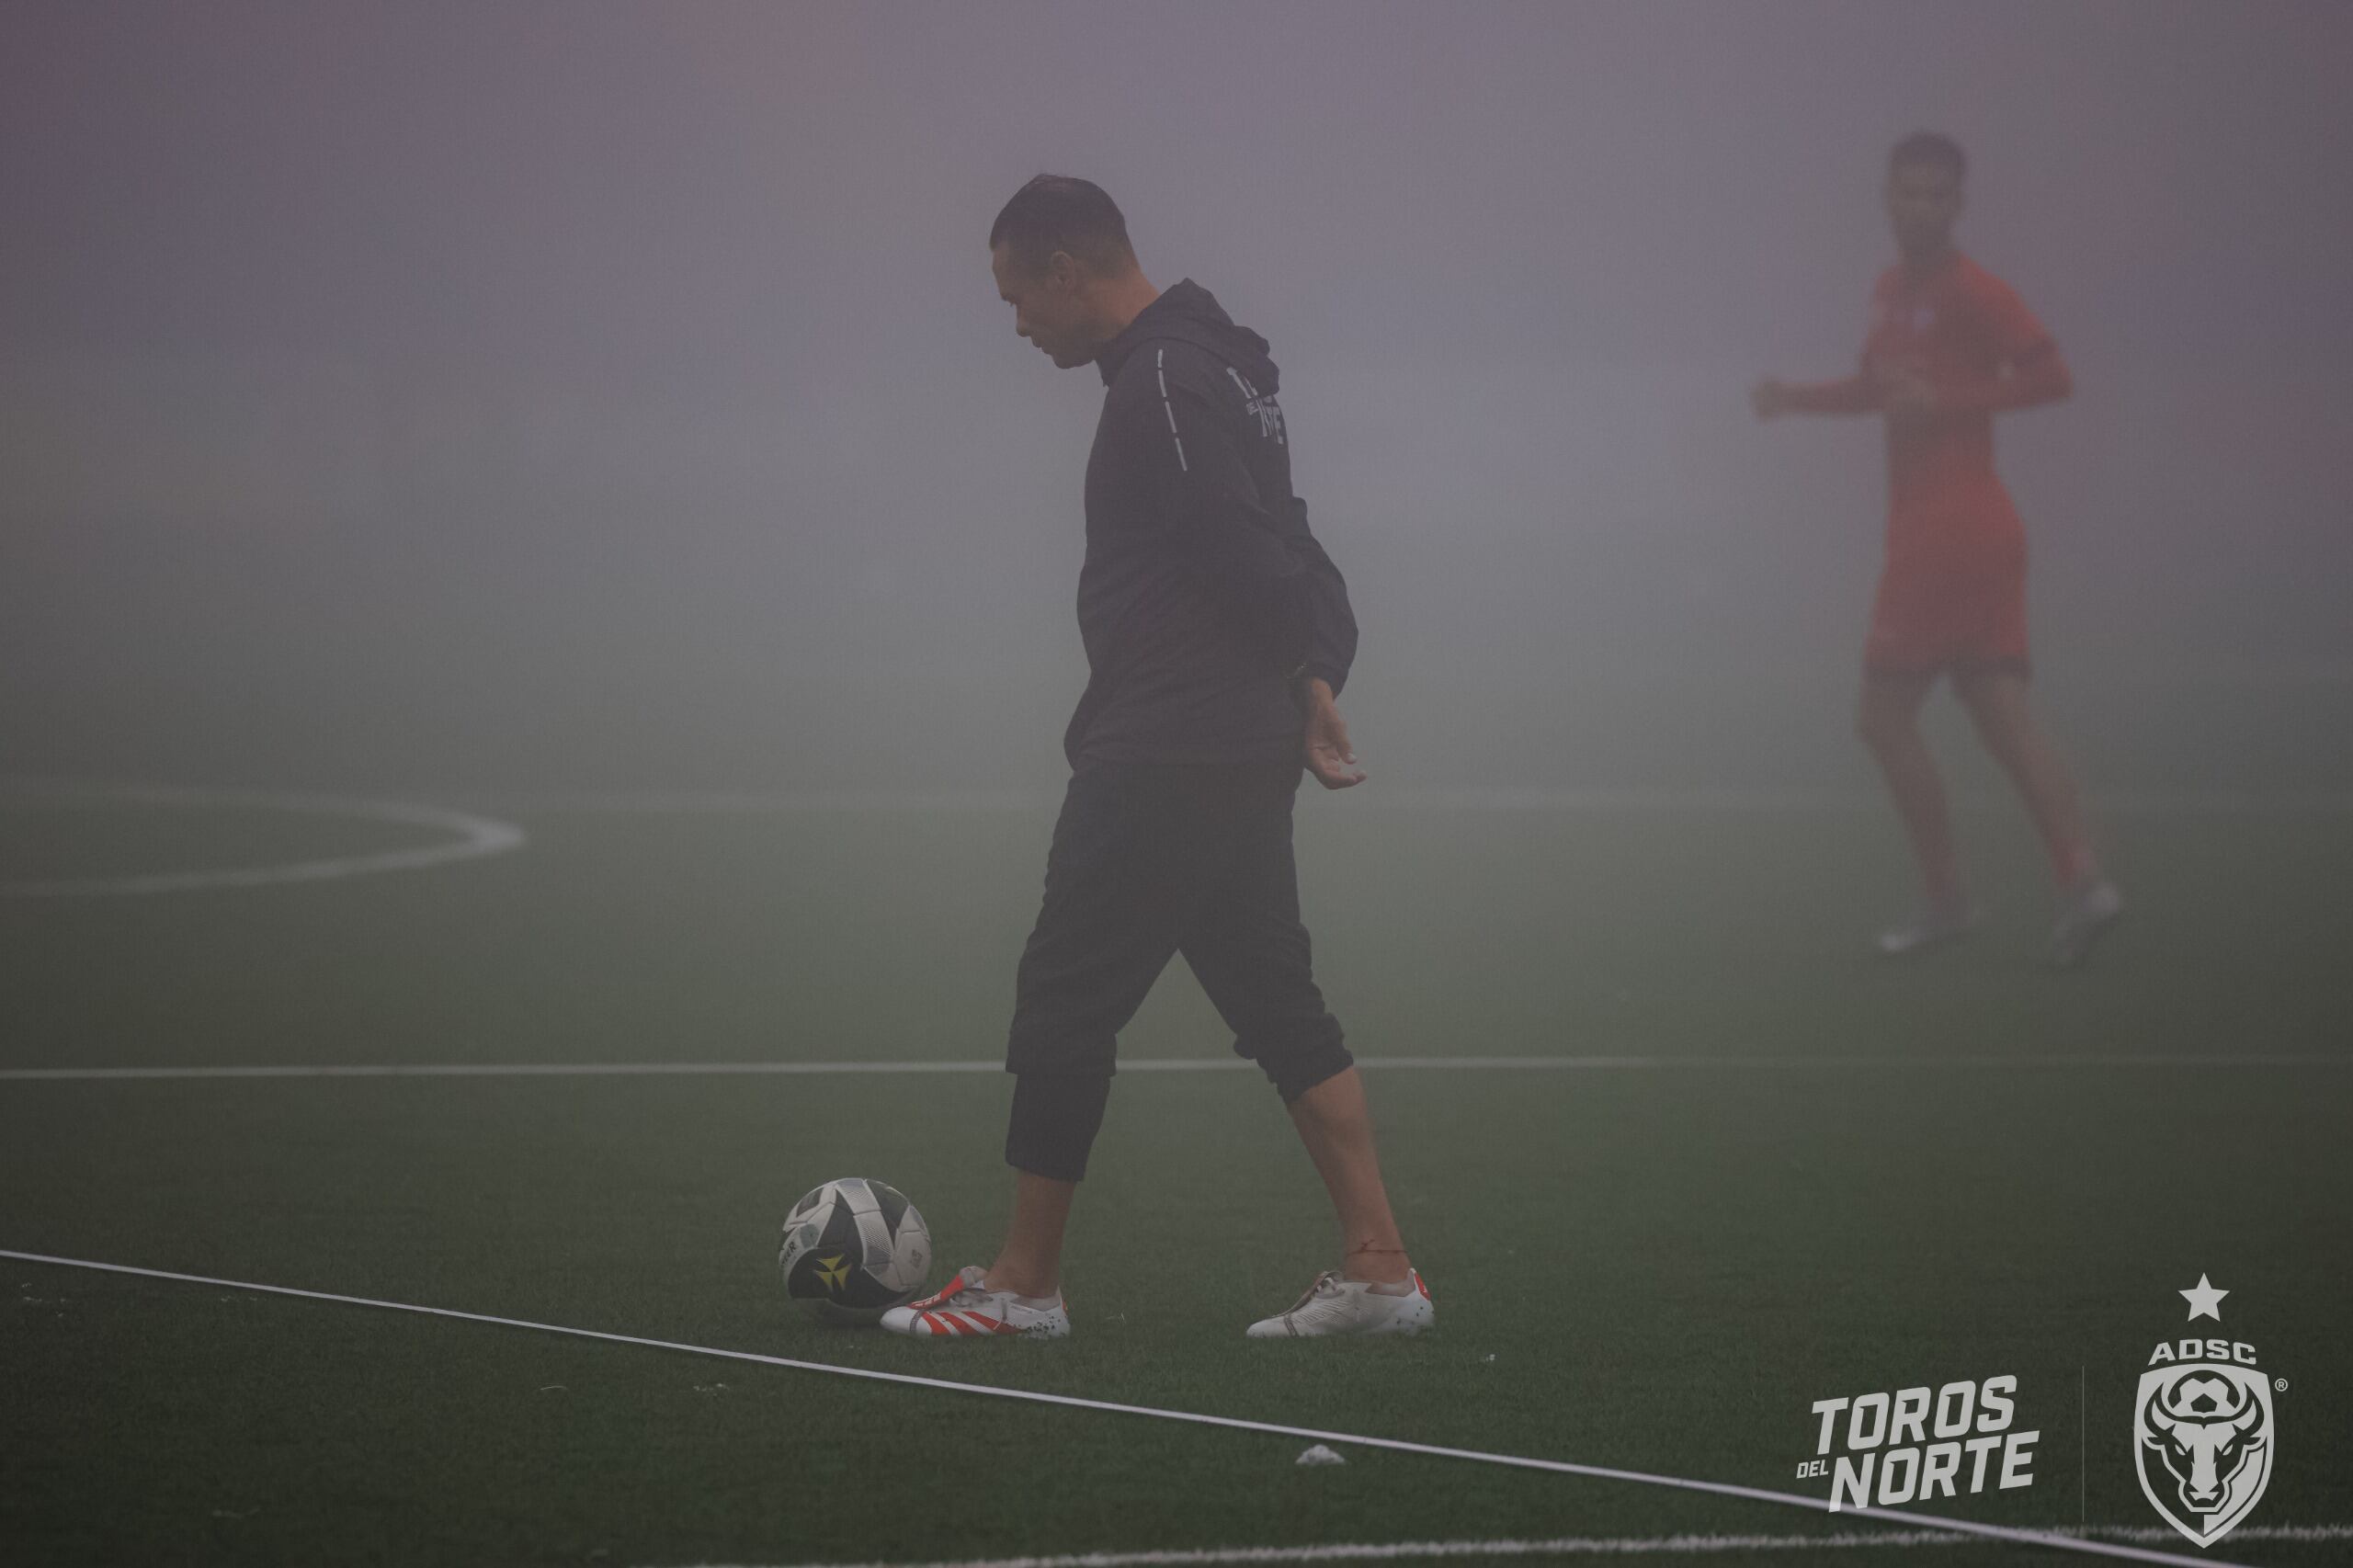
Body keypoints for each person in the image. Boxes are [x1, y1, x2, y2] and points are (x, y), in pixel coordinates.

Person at [880, 176, 1431, 1340]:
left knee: (1065, 993)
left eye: (1017, 294)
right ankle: (1382, 1272)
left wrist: (1305, 667)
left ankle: (1023, 1286)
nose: (1017, 322)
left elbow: (1239, 545)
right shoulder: (1215, 368)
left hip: (1168, 746)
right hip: (1228, 743)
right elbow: (1297, 549)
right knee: (1276, 997)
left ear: (1066, 271)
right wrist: (1313, 673)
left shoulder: (1165, 382)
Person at [1752, 131, 2124, 966]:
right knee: (2000, 714)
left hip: (1948, 531)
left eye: (1933, 195)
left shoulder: (1976, 291)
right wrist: (1793, 400)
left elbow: (2052, 376)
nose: (1916, 207)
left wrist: (1949, 400)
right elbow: (1880, 393)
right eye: (1904, 192)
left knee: (1881, 720)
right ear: (1886, 198)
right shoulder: (1890, 291)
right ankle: (2084, 879)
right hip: (1978, 533)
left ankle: (1948, 896)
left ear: (1958, 206)